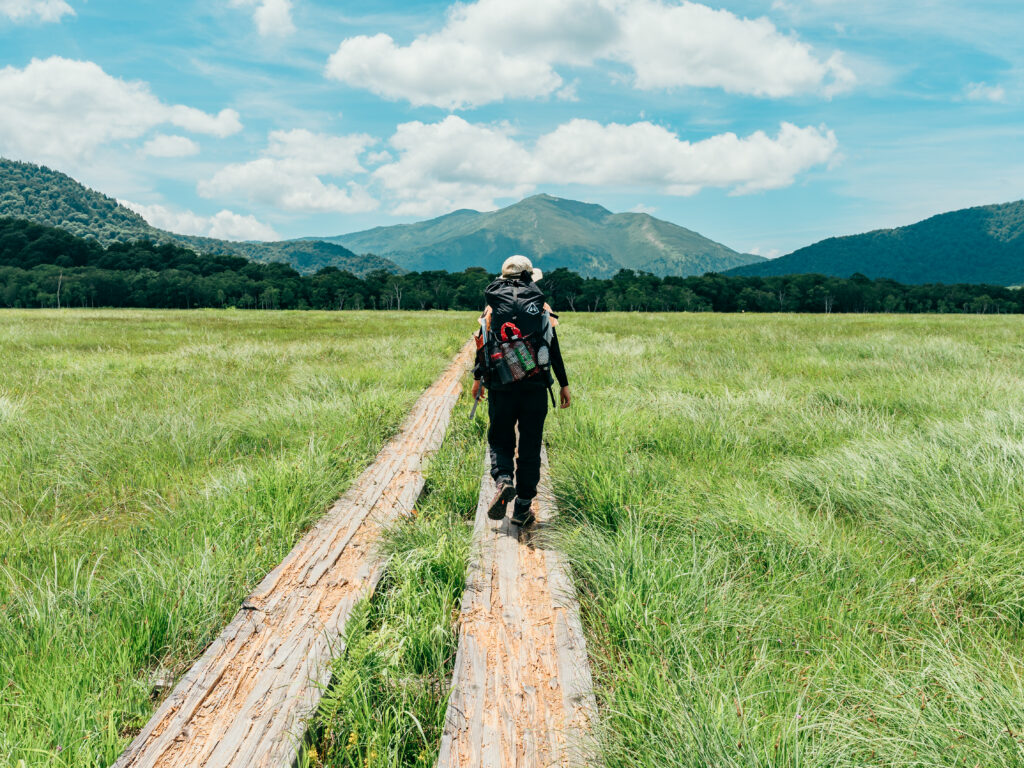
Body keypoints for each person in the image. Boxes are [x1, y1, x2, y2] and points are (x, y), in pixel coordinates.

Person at [471, 255, 570, 527]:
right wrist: (563, 383)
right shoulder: (541, 307)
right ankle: (523, 507)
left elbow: (483, 347)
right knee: (530, 444)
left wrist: (478, 380)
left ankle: (503, 480)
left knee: (500, 438)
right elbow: (552, 347)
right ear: (530, 279)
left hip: (501, 386)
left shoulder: (492, 308)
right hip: (535, 387)